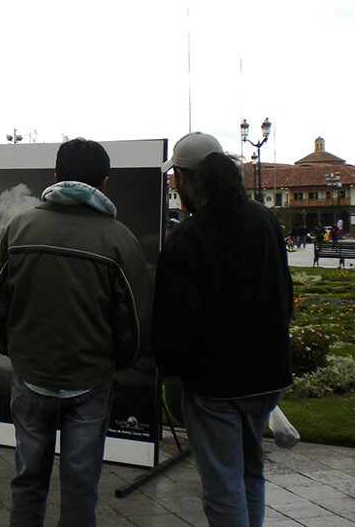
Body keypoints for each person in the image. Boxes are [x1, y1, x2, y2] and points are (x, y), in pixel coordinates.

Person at [0, 138, 153, 526]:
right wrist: (112, 362)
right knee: (80, 487)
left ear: (56, 177)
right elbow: (136, 325)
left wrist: (16, 351)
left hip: (31, 378)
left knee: (27, 480)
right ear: (104, 184)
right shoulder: (120, 239)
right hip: (90, 383)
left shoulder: (19, 228)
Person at [152, 132, 292, 527]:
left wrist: (172, 372)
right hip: (267, 377)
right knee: (250, 471)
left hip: (216, 384)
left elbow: (174, 322)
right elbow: (286, 295)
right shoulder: (265, 220)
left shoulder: (188, 239)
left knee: (223, 483)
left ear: (182, 178)